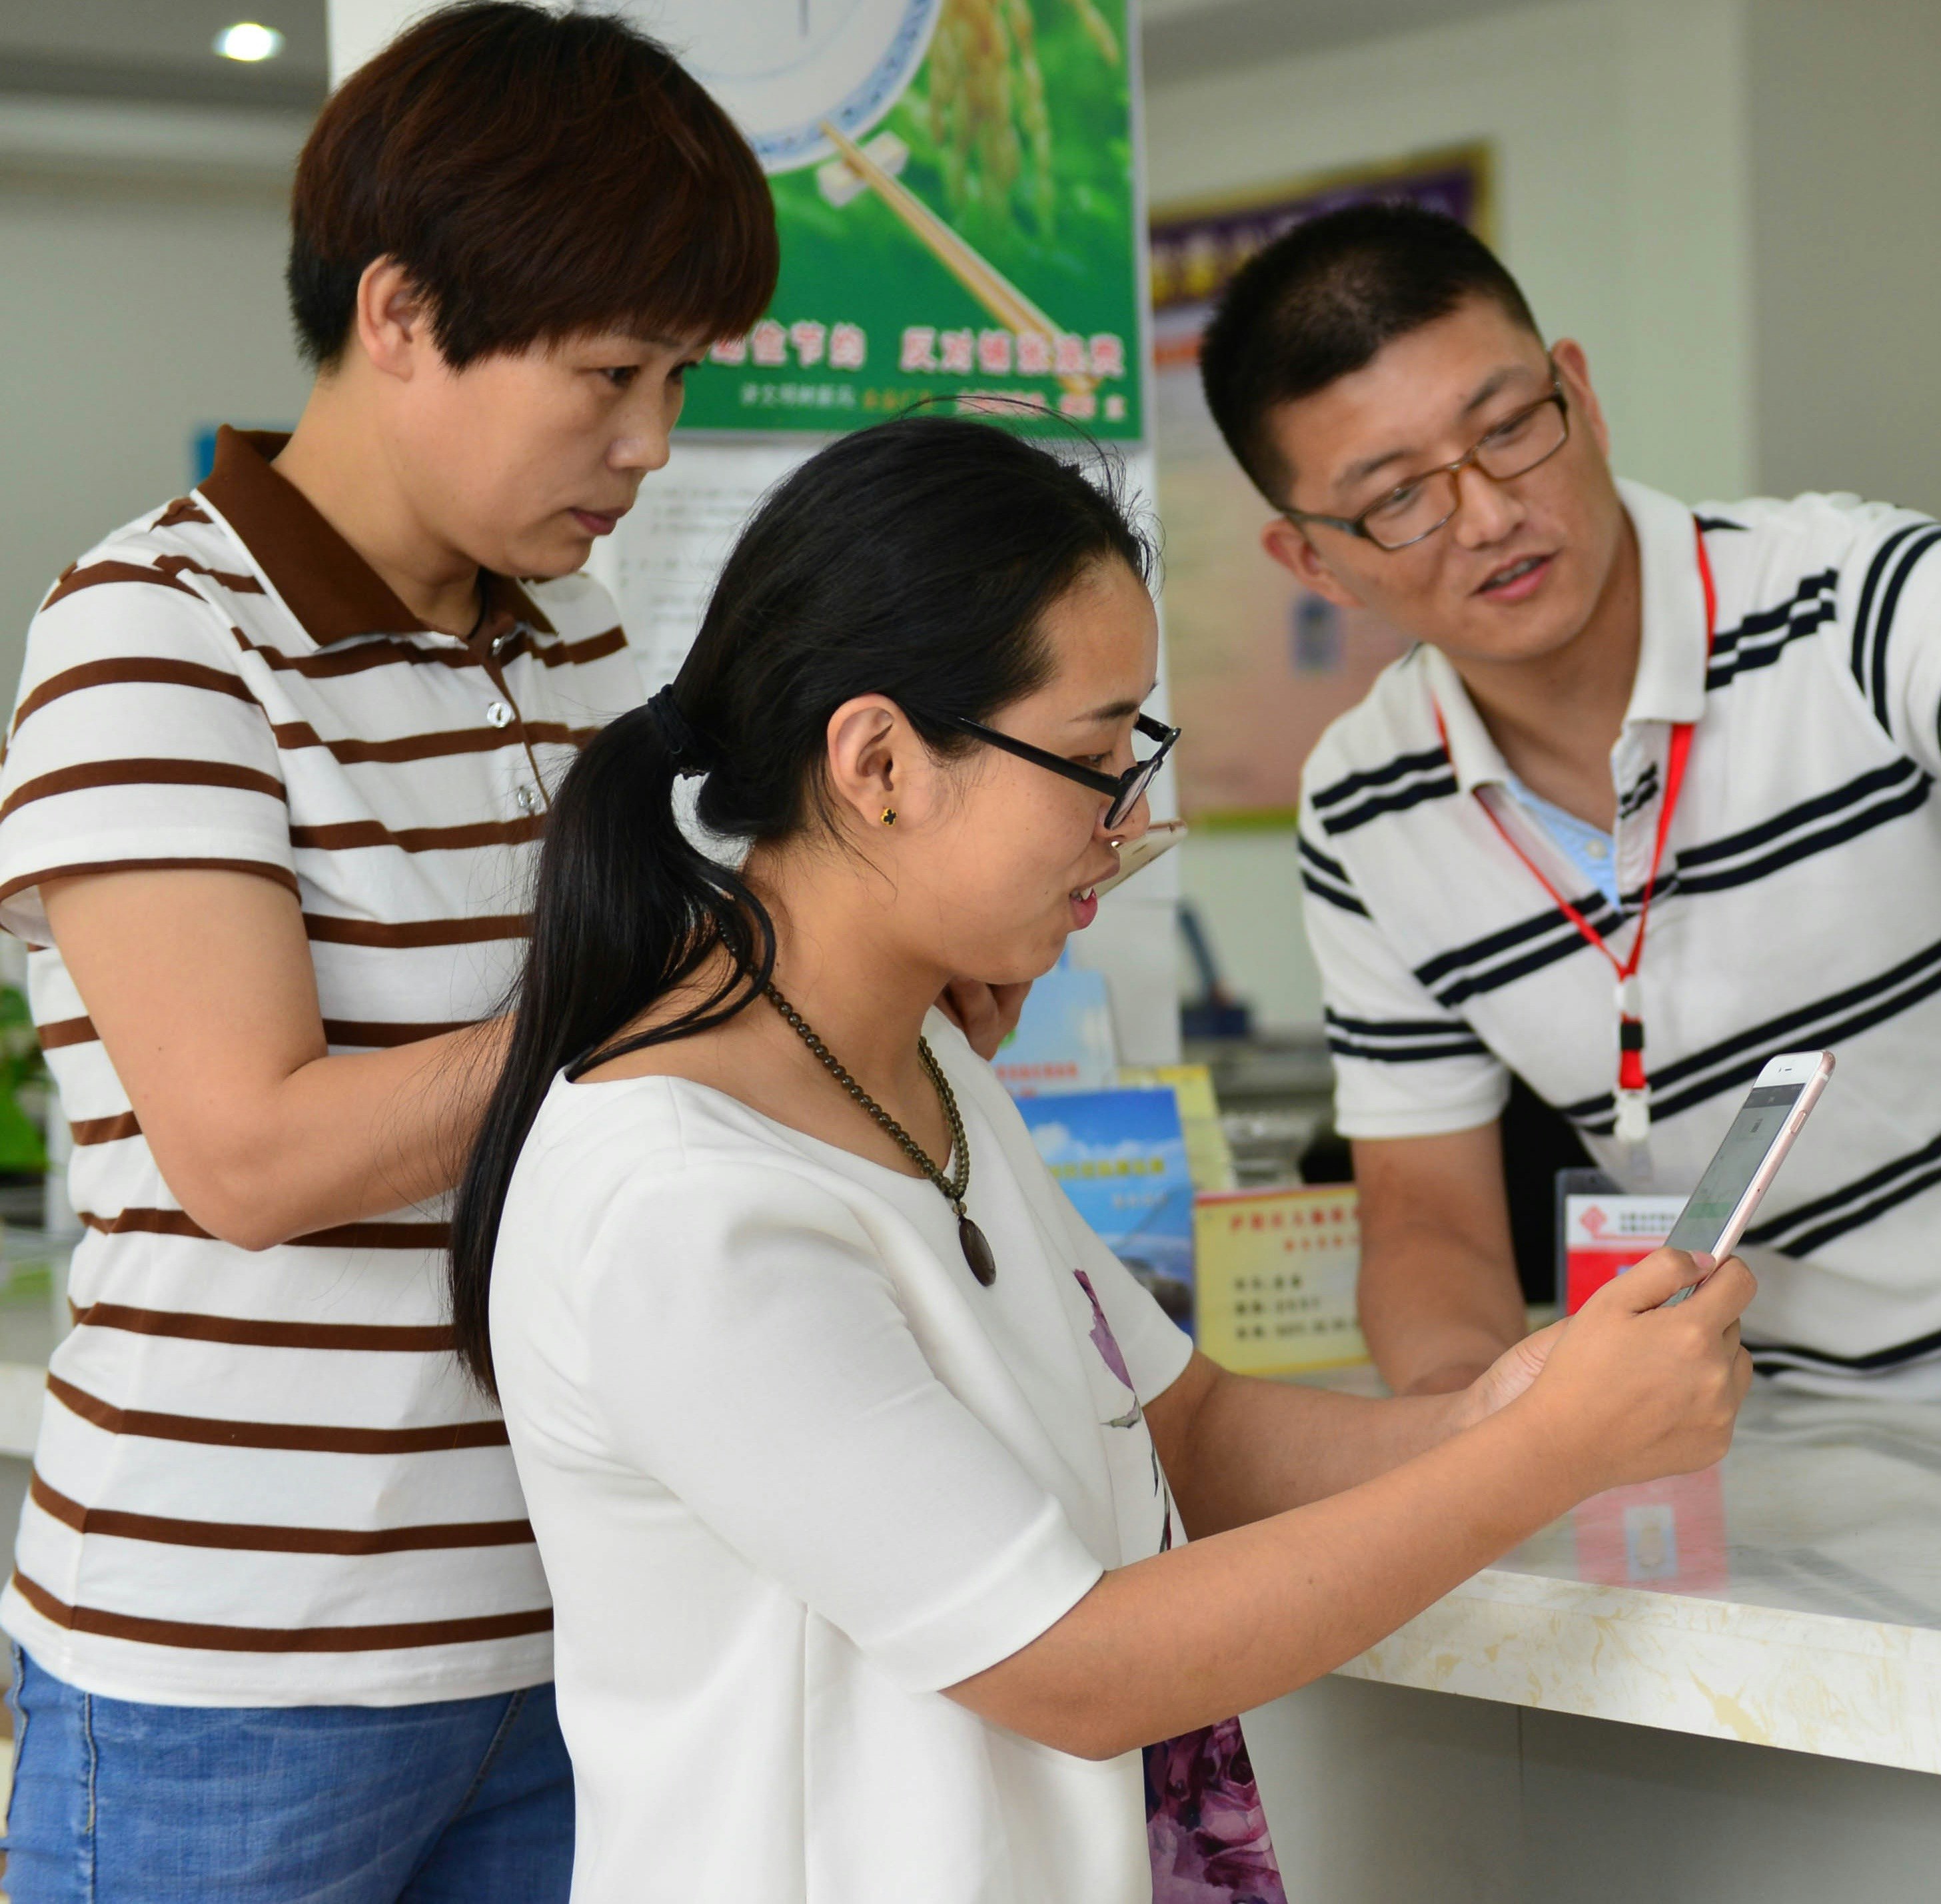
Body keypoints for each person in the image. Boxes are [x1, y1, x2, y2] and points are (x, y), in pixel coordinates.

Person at [450, 415, 1751, 1903]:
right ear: (878, 761)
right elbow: (1072, 1663)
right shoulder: (687, 1203)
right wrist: (1548, 1455)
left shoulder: (916, 1060)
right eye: (1089, 760)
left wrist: (1502, 1408)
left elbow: (1182, 1427)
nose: (1133, 823)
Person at [0, 9, 785, 1896]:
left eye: (680, 378)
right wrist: (687, 1003)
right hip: (241, 1658)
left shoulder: (584, 638)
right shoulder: (156, 639)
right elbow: (253, 1155)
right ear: (404, 312)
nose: (651, 445)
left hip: (568, 1616)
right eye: (609, 374)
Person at [1198, 205, 1941, 1396]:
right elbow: (1429, 1232)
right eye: (1398, 497)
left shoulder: (1844, 593)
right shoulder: (1365, 809)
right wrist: (1477, 1442)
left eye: (1510, 429)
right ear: (1311, 560)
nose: (1490, 515)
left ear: (1579, 394)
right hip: (1781, 1434)